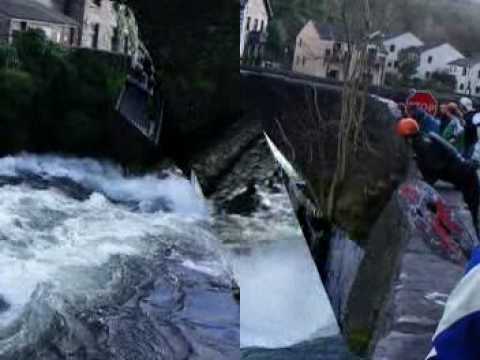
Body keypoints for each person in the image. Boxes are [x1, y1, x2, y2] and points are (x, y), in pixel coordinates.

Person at [396, 117, 480, 235]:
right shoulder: (427, 137)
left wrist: (421, 186)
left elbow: (433, 171)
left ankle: (462, 237)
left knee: (476, 215)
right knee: (474, 211)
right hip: (465, 173)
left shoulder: (423, 146)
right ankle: (452, 231)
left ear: (407, 137)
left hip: (465, 175)